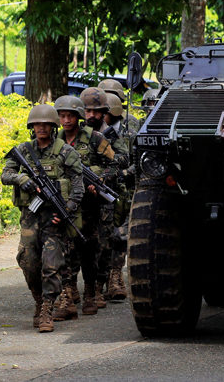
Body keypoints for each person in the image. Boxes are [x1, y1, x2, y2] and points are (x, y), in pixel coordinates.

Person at [1, 105, 83, 332]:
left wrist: (67, 211)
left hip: (54, 218)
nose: (41, 128)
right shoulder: (24, 150)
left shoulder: (66, 152)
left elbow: (78, 187)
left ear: (53, 127)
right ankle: (39, 300)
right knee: (28, 260)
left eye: (46, 124)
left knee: (51, 264)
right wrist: (20, 179)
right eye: (37, 124)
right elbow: (5, 175)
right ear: (32, 127)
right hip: (30, 216)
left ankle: (47, 307)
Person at [53, 94, 123, 319]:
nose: (66, 120)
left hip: (91, 206)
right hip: (66, 204)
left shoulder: (95, 138)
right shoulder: (56, 141)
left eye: (70, 116)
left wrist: (99, 180)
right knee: (65, 250)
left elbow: (115, 164)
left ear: (79, 117)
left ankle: (91, 293)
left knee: (90, 249)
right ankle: (69, 292)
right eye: (62, 116)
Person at [101, 93, 136, 300]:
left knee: (119, 234)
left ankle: (115, 276)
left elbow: (136, 158)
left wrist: (122, 174)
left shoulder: (129, 129)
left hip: (123, 189)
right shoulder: (90, 131)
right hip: (99, 188)